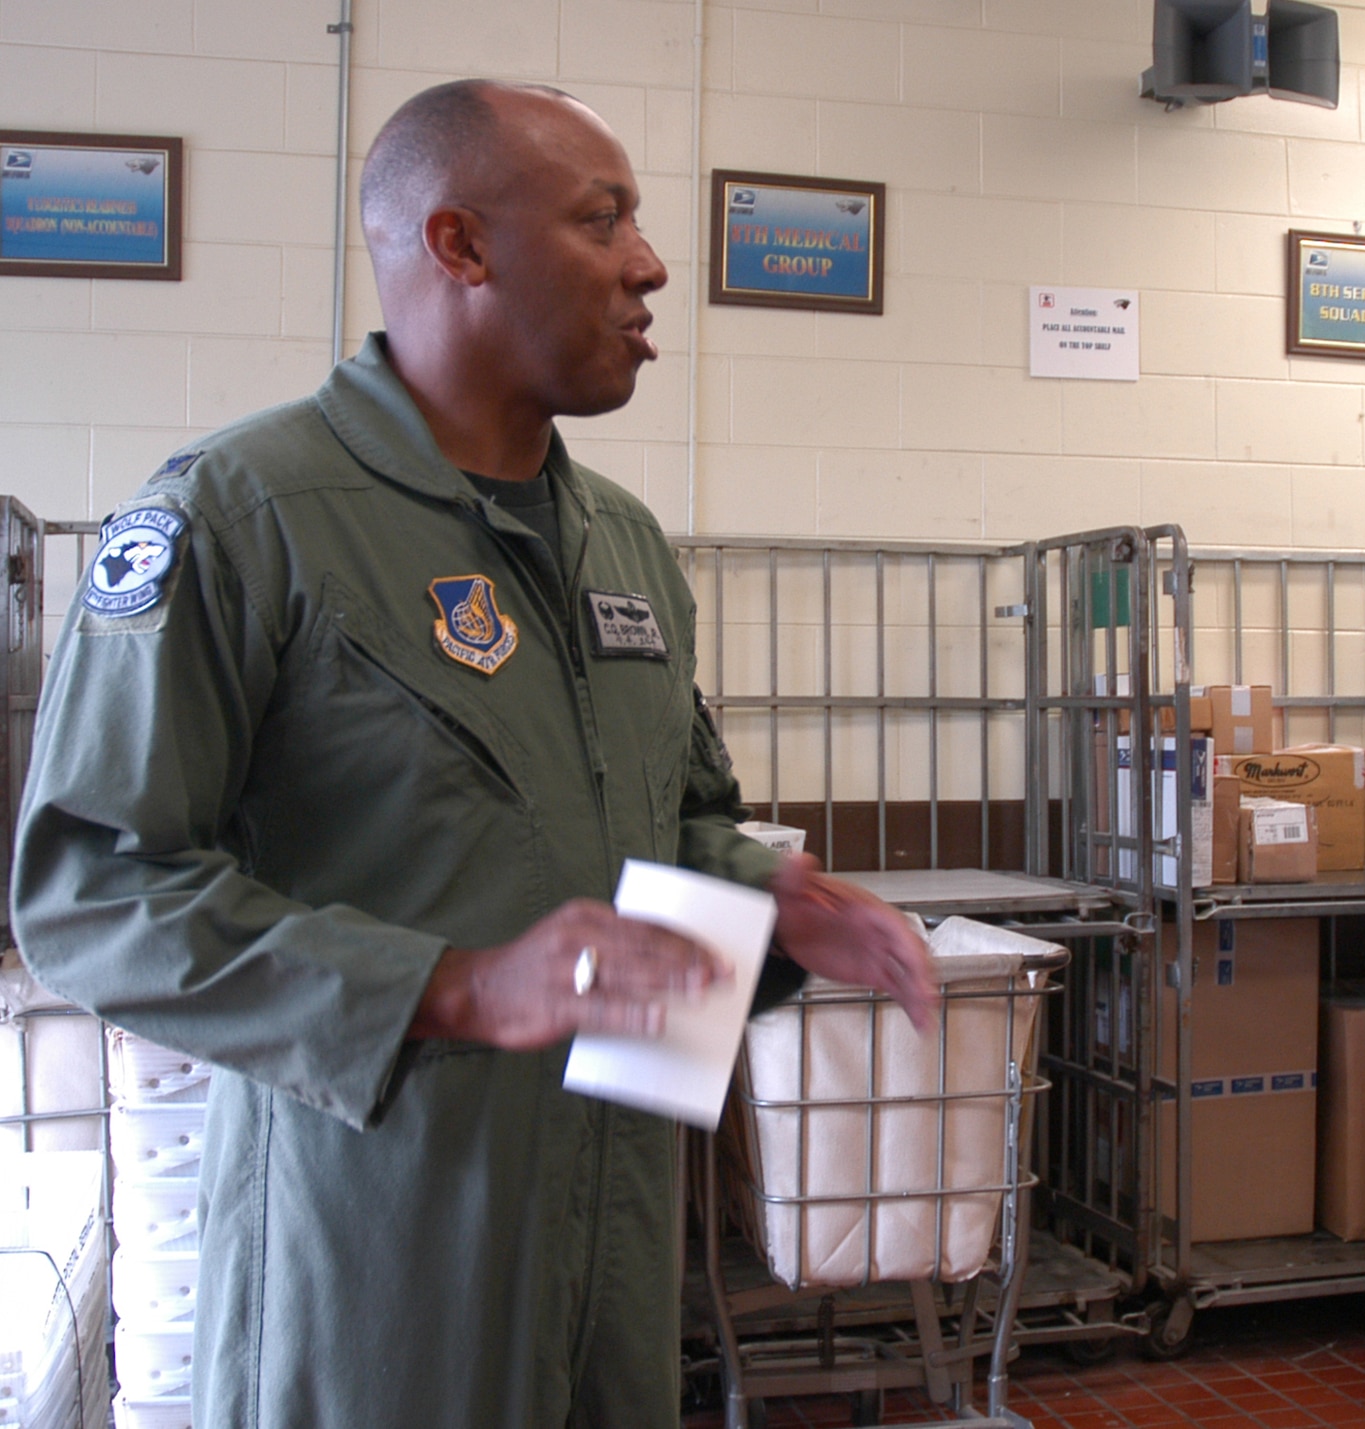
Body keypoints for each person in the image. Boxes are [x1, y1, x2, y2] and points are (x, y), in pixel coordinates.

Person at [9, 79, 935, 1429]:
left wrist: (770, 899)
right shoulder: (244, 517)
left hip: (612, 1260)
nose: (651, 265)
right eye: (602, 219)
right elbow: (92, 899)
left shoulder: (619, 545)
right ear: (460, 246)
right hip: (380, 1274)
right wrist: (455, 985)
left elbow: (667, 825)